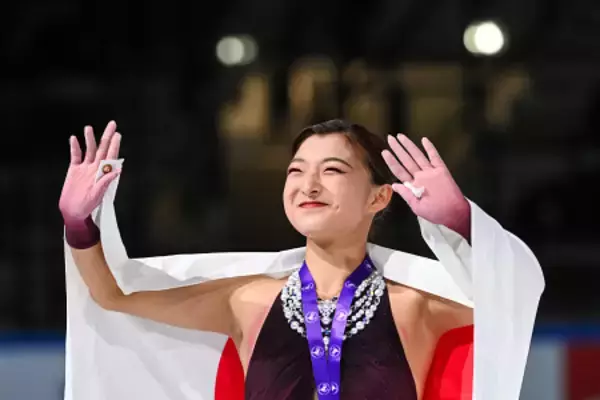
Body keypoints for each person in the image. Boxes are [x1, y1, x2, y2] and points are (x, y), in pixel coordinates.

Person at [59, 119, 544, 400]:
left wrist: (461, 221)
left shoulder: (414, 307)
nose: (308, 185)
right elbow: (112, 294)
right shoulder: (246, 301)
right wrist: (79, 223)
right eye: (296, 171)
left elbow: (513, 301)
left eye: (332, 170)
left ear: (379, 197)